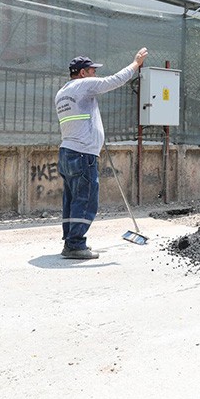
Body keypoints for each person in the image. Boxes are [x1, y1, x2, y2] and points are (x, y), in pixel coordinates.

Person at [55, 48, 149, 259]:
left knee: (71, 200)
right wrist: (136, 64)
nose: (94, 75)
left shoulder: (62, 93)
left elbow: (79, 118)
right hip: (82, 155)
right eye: (92, 71)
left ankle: (70, 241)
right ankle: (76, 245)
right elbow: (114, 81)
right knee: (86, 200)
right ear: (82, 73)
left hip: (68, 152)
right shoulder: (83, 85)